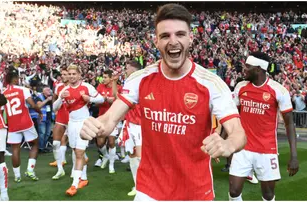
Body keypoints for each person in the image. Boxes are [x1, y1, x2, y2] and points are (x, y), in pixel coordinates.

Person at [80, 4, 246, 201]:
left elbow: (239, 133)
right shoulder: (140, 79)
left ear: (190, 39)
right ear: (156, 41)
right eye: (165, 36)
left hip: (194, 192)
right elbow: (109, 119)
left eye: (180, 34)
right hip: (149, 190)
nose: (173, 41)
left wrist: (229, 145)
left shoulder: (211, 84)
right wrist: (96, 126)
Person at [229, 52, 299, 201]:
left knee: (268, 195)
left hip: (267, 150)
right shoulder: (241, 87)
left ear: (259, 69)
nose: (244, 69)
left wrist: (294, 156)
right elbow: (231, 115)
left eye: (248, 66)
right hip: (243, 148)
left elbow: (289, 123)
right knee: (234, 191)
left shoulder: (278, 90)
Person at [53, 65, 104, 196]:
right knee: (76, 152)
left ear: (79, 75)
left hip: (84, 122)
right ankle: (84, 178)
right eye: (69, 74)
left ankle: (74, 184)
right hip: (71, 123)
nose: (71, 76)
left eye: (74, 74)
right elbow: (55, 108)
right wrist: (60, 98)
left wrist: (90, 99)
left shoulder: (87, 86)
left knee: (80, 153)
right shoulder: (64, 89)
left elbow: (101, 99)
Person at [3, 68, 43, 183]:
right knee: (35, 144)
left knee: (15, 149)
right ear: (15, 79)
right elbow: (32, 104)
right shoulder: (23, 90)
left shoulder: (3, 93)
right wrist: (39, 112)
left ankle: (17, 176)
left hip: (12, 124)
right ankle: (30, 170)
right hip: (25, 122)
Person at [121, 60, 142, 196]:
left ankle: (145, 185)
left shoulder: (143, 82)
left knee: (141, 157)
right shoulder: (127, 83)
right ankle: (137, 185)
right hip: (130, 123)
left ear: (134, 69)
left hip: (142, 124)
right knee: (132, 155)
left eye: (127, 68)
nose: (125, 71)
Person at [95, 69, 122, 173]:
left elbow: (121, 103)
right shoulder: (100, 87)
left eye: (105, 77)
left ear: (111, 78)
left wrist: (113, 101)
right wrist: (103, 99)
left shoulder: (118, 88)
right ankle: (105, 156)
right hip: (101, 117)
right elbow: (96, 104)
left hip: (113, 118)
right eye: (103, 77)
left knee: (111, 142)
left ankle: (111, 165)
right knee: (100, 143)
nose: (103, 79)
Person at [50, 68, 69, 180]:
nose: (62, 76)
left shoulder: (78, 86)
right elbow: (55, 99)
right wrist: (56, 108)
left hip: (72, 119)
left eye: (65, 74)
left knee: (74, 146)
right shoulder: (59, 86)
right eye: (62, 74)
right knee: (56, 143)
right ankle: (60, 170)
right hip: (60, 118)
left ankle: (76, 171)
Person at [37, 86, 54, 153]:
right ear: (43, 91)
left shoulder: (52, 97)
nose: (49, 91)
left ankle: (43, 147)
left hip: (49, 118)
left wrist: (52, 99)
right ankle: (40, 148)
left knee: (47, 134)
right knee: (42, 133)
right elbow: (39, 106)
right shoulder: (39, 97)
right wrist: (47, 100)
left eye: (49, 89)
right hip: (42, 118)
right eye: (47, 90)